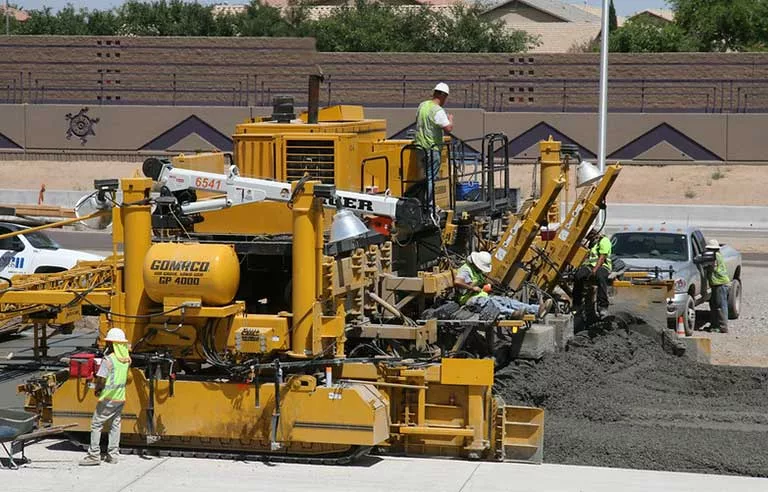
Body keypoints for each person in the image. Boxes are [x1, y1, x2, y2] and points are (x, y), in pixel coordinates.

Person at [80, 328, 131, 466]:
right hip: (120, 397)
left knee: (96, 424)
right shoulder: (126, 359)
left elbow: (101, 379)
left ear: (112, 344)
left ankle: (94, 455)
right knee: (115, 424)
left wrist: (97, 389)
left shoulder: (109, 360)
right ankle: (113, 455)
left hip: (108, 398)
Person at [454, 251, 551, 319]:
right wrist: (472, 288)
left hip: (481, 297)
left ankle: (537, 309)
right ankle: (513, 313)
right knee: (493, 304)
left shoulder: (476, 271)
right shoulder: (465, 269)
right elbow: (457, 282)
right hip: (470, 300)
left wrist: (485, 287)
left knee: (506, 301)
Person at [413, 82, 454, 211]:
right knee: (431, 177)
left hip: (419, 147)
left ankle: (421, 201)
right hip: (432, 148)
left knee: (424, 176)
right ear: (443, 96)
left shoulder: (422, 105)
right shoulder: (437, 110)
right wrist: (450, 119)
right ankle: (429, 205)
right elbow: (448, 128)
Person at [573, 229, 612, 317]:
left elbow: (602, 257)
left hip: (603, 266)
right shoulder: (592, 244)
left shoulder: (604, 241)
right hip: (590, 266)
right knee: (578, 276)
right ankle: (577, 304)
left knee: (600, 277)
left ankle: (602, 305)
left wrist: (595, 269)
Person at [705, 239, 730, 333]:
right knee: (714, 305)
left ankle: (723, 326)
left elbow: (710, 267)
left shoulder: (714, 257)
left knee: (720, 305)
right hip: (717, 284)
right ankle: (715, 325)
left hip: (720, 284)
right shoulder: (717, 255)